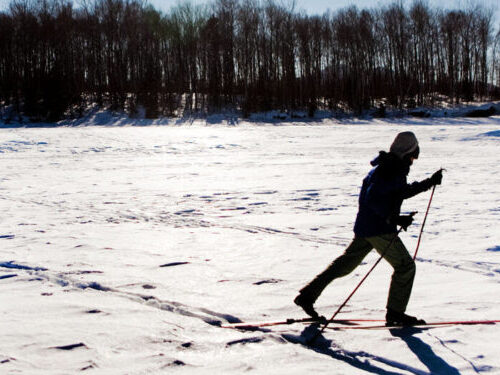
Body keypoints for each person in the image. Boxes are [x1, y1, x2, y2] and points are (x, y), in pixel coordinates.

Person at [294, 131, 443, 326]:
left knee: (345, 265)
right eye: (413, 155)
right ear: (406, 152)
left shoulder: (389, 167)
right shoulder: (390, 169)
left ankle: (307, 296)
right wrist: (393, 217)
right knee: (405, 266)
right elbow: (373, 198)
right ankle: (395, 314)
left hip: (367, 226)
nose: (414, 159)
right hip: (379, 228)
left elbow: (398, 193)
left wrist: (428, 183)